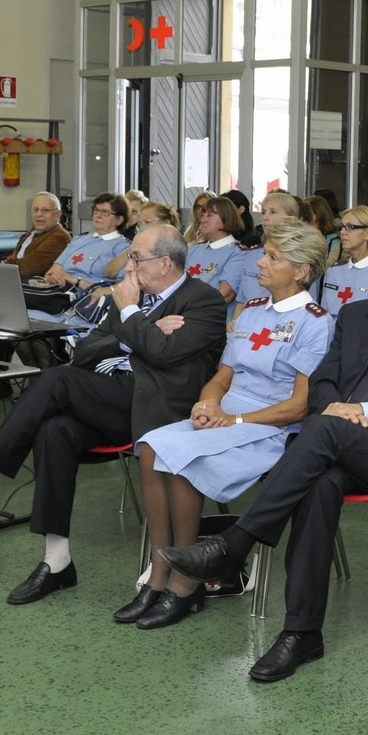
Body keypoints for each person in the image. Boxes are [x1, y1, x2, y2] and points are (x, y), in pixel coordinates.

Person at [155, 220, 368, 682]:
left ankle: (236, 543)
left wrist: (362, 409)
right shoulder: (358, 315)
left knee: (322, 431)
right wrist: (340, 411)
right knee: (318, 483)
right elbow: (322, 383)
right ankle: (302, 633)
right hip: (342, 442)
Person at [0, 224, 228, 603]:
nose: (129, 266)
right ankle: (57, 561)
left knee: (57, 381)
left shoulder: (202, 301)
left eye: (137, 258)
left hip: (154, 407)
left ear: (165, 262)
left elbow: (164, 355)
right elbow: (86, 351)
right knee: (55, 428)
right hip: (109, 396)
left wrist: (134, 317)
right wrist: (142, 329)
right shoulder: (131, 298)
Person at [121, 220, 332, 629]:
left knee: (180, 459)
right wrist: (207, 401)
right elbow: (222, 375)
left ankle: (186, 583)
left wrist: (232, 418)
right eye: (264, 253)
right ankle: (159, 573)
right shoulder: (252, 311)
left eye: (273, 257)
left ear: (302, 270)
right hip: (226, 414)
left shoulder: (315, 322)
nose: (261, 262)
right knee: (149, 446)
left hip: (270, 426)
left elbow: (300, 406)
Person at [39, 193, 131, 292]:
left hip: (88, 300)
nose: (98, 216)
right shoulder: (79, 240)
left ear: (119, 220)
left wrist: (75, 280)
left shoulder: (124, 248)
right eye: (96, 210)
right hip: (59, 293)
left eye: (105, 212)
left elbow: (118, 289)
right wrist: (53, 278)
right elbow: (51, 273)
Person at [320, 206, 368, 318]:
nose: (343, 232)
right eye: (342, 227)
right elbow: (323, 315)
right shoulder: (333, 271)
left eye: (349, 227)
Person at [185, 195, 249, 303]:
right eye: (203, 214)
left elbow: (224, 295)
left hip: (212, 316)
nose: (203, 219)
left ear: (226, 219)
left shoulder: (239, 253)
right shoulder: (193, 249)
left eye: (209, 215)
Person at [3, 192, 69, 278]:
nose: (39, 214)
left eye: (45, 210)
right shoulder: (29, 234)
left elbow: (27, 268)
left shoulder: (59, 237)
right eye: (35, 210)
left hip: (32, 288)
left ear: (57, 215)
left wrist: (5, 264)